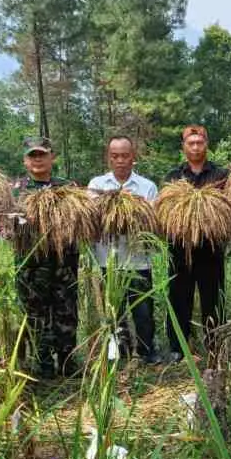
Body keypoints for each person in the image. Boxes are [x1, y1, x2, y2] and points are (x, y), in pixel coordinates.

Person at [88, 135, 160, 365]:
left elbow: (154, 223)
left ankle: (147, 352)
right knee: (113, 311)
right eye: (115, 156)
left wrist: (135, 210)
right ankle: (119, 351)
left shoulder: (147, 187)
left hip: (138, 260)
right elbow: (91, 220)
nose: (120, 160)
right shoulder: (96, 185)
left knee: (143, 311)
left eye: (125, 156)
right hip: (107, 260)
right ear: (108, 158)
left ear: (133, 157)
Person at [13, 137, 80, 379]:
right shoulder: (16, 190)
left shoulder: (68, 187)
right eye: (32, 155)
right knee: (35, 315)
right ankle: (43, 365)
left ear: (52, 157)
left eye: (42, 154)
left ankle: (68, 361)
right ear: (25, 160)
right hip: (31, 266)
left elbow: (82, 219)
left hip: (64, 263)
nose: (38, 159)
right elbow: (3, 224)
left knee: (67, 311)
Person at [164, 125, 229, 363]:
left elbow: (228, 207)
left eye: (199, 142)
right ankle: (178, 348)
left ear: (206, 145)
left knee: (213, 299)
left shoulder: (221, 175)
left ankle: (215, 346)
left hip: (211, 248)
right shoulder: (173, 176)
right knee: (179, 297)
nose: (195, 147)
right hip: (180, 248)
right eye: (190, 143)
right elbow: (165, 210)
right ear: (183, 146)